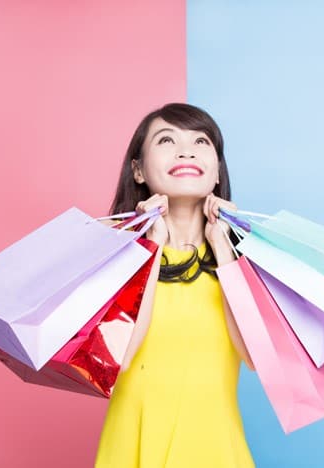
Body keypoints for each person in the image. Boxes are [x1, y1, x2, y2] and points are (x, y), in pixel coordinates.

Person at [94, 103, 255, 467]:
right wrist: (151, 247)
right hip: (133, 449)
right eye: (167, 140)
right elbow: (117, 360)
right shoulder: (111, 255)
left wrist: (222, 247)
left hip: (217, 451)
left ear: (216, 172)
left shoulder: (242, 262)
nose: (186, 150)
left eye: (201, 141)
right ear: (137, 170)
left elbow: (254, 355)